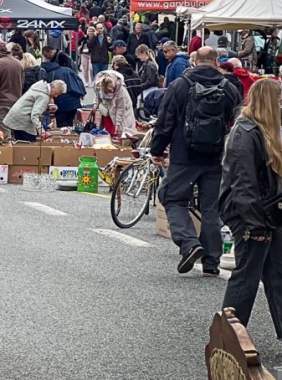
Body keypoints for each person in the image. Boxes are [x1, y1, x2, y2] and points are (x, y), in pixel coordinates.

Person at [150, 46, 242, 276]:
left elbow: (165, 121)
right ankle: (211, 262)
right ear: (216, 62)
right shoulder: (229, 87)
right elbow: (238, 122)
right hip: (216, 157)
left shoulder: (179, 85)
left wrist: (157, 150)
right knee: (212, 208)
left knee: (172, 197)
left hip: (184, 155)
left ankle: (189, 243)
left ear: (194, 61)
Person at [220, 78, 282, 338]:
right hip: (249, 213)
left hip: (266, 211)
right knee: (247, 275)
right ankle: (229, 336)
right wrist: (255, 224)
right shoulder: (245, 133)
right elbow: (244, 183)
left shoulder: (261, 130)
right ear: (269, 102)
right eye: (279, 100)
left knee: (276, 273)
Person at [0, 42, 24, 138]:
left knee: (3, 131)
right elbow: (22, 82)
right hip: (17, 101)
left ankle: (7, 146)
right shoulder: (18, 63)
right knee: (14, 130)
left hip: (4, 101)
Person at [94, 69, 139, 138]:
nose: (108, 93)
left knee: (122, 132)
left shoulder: (121, 90)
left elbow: (120, 108)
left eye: (110, 91)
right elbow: (97, 97)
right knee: (109, 132)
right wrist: (95, 106)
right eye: (106, 92)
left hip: (123, 112)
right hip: (107, 111)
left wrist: (117, 124)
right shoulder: (99, 86)